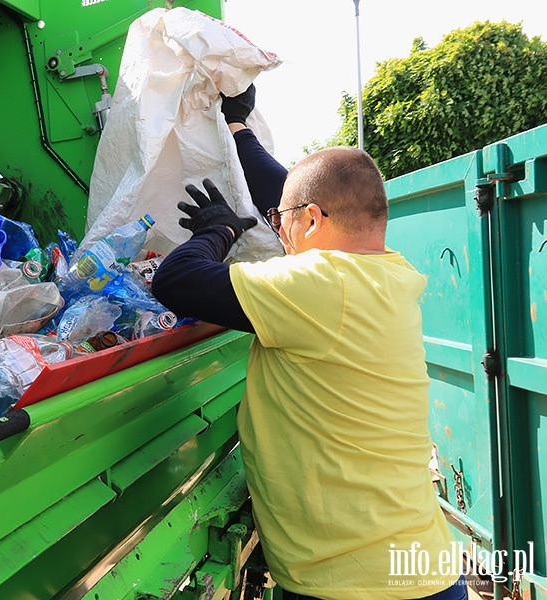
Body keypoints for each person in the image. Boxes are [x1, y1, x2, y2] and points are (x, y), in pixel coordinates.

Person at [151, 94, 466, 599]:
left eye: (283, 220)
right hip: (421, 568)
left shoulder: (322, 283)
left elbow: (178, 280)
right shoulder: (389, 272)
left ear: (315, 219)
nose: (277, 228)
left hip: (354, 585)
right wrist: (238, 125)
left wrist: (221, 230)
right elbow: (295, 191)